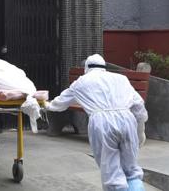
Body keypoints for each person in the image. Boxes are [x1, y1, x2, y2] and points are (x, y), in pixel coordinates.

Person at [45, 54, 148, 191]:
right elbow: (139, 105)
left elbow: (59, 104)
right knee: (132, 170)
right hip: (127, 119)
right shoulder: (121, 79)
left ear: (86, 68)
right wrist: (140, 131)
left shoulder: (81, 82)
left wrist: (45, 105)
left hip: (102, 123)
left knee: (111, 171)